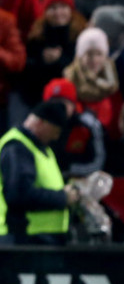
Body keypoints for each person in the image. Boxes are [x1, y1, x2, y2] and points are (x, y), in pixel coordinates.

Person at [0, 100, 80, 245]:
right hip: (23, 237)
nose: (56, 137)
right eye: (55, 131)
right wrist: (62, 197)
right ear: (41, 123)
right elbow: (19, 194)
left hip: (40, 237)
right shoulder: (17, 148)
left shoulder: (41, 148)